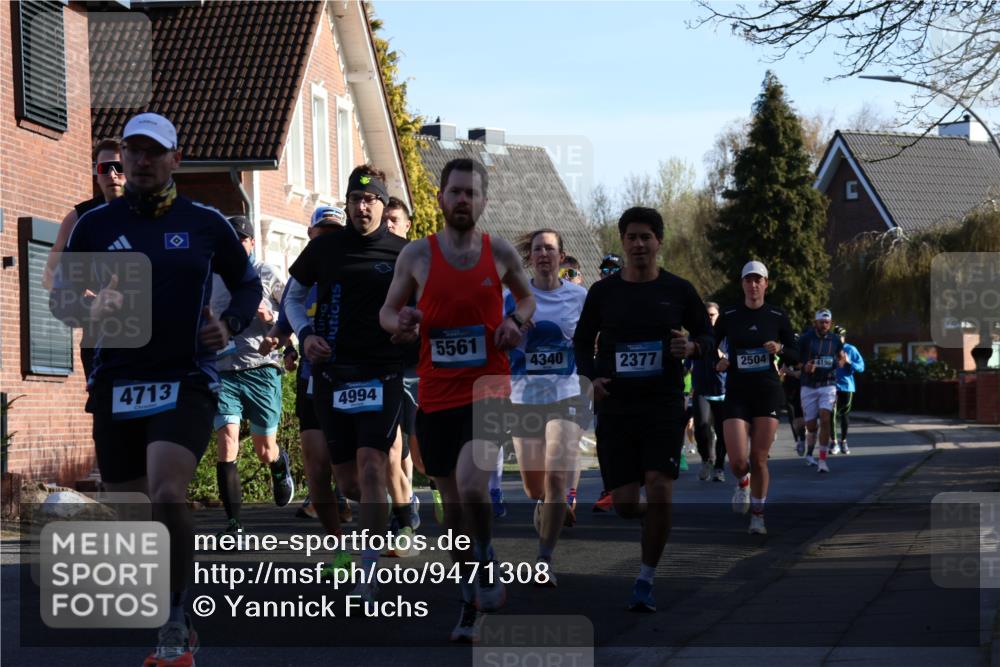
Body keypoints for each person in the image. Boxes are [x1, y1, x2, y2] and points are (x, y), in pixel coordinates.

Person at [50, 112, 262, 667]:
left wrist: (230, 325)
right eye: (133, 151)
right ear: (122, 158)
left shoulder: (205, 222)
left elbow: (247, 283)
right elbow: (61, 300)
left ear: (175, 159)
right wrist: (91, 307)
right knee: (131, 509)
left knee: (167, 491)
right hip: (118, 381)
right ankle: (165, 589)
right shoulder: (95, 225)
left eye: (152, 151)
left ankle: (175, 617)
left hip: (185, 376)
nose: (141, 161)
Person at [380, 158, 535, 641]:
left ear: (483, 201)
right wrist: (402, 323)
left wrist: (515, 321)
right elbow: (388, 311)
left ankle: (486, 556)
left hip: (489, 386)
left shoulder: (499, 251)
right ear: (441, 198)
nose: (463, 199)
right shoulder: (416, 256)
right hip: (437, 393)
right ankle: (469, 600)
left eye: (471, 192)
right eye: (456, 191)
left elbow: (527, 299)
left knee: (471, 486)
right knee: (452, 509)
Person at [573, 206, 713, 612]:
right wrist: (590, 379)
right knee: (624, 505)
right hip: (617, 407)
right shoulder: (604, 292)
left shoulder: (678, 290)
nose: (638, 244)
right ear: (622, 242)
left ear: (658, 242)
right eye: (631, 237)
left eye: (646, 237)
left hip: (663, 404)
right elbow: (581, 341)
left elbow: (707, 335)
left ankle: (645, 580)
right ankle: (654, 517)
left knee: (660, 487)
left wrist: (693, 346)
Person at [284, 165, 412, 602]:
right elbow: (293, 296)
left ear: (382, 203)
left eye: (370, 199)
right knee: (349, 482)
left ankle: (367, 573)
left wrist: (412, 329)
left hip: (382, 371)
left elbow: (426, 305)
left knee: (373, 465)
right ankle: (378, 520)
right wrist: (305, 335)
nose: (362, 207)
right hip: (332, 374)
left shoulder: (404, 253)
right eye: (355, 199)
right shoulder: (325, 248)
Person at [260, 206, 355, 541]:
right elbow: (284, 325)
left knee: (351, 471)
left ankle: (389, 507)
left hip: (351, 378)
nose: (327, 239)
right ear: (310, 234)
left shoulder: (353, 270)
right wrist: (276, 343)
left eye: (334, 233)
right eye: (322, 232)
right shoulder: (299, 282)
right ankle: (338, 544)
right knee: (316, 465)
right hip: (311, 378)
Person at [507, 228, 588, 585]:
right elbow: (497, 339)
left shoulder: (579, 296)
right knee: (534, 488)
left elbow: (592, 339)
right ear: (531, 257)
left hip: (565, 393)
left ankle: (544, 559)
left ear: (561, 256)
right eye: (538, 249)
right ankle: (544, 503)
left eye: (550, 249)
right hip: (525, 396)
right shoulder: (513, 297)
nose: (543, 254)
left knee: (556, 477)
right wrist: (514, 327)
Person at [212, 215, 294, 535]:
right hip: (223, 371)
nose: (235, 246)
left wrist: (270, 316)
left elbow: (293, 309)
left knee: (264, 450)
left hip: (261, 368)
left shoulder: (265, 273)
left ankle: (278, 462)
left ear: (252, 243)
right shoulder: (211, 277)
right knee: (227, 443)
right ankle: (234, 525)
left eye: (241, 240)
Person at [713, 261, 798, 535]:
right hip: (737, 392)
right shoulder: (729, 315)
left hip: (767, 391)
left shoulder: (777, 315)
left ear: (765, 284)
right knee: (738, 462)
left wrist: (780, 348)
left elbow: (796, 352)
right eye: (748, 280)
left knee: (759, 458)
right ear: (742, 284)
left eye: (758, 280)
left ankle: (758, 516)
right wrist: (719, 360)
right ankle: (743, 482)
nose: (753, 285)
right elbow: (708, 343)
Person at [43, 137, 127, 380]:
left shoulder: (153, 215)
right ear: (96, 173)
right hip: (98, 337)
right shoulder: (79, 218)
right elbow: (50, 277)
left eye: (119, 167)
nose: (112, 174)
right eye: (104, 168)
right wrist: (83, 298)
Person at [591, 252, 623, 513]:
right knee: (604, 433)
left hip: (631, 376)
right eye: (605, 270)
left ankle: (630, 485)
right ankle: (609, 488)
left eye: (614, 270)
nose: (609, 274)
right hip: (603, 374)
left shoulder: (633, 295)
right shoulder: (595, 297)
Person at [798, 309, 847, 472]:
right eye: (821, 322)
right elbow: (795, 358)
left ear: (830, 323)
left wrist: (839, 363)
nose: (824, 325)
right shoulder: (805, 339)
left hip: (828, 384)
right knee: (811, 425)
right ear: (815, 323)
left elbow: (842, 357)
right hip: (808, 385)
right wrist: (804, 366)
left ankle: (822, 460)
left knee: (825, 418)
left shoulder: (835, 340)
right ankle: (810, 446)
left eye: (827, 322)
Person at [690, 302, 727, 482]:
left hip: (723, 390)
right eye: (707, 315)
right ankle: (706, 459)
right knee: (701, 427)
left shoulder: (727, 335)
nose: (709, 318)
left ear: (718, 316)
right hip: (701, 388)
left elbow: (735, 357)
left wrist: (724, 356)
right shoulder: (695, 335)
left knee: (722, 431)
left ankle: (719, 467)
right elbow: (687, 362)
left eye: (712, 315)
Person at [832, 325, 865, 455]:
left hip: (847, 386)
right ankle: (834, 442)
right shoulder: (829, 349)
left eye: (840, 336)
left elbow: (861, 367)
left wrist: (849, 362)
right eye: (835, 336)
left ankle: (844, 441)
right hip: (831, 385)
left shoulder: (850, 349)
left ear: (844, 337)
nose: (838, 339)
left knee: (844, 414)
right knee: (831, 414)